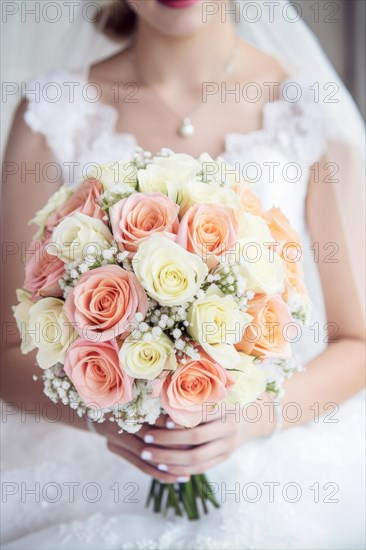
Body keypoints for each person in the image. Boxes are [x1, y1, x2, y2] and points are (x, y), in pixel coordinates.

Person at [1, 1, 365, 548]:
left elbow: (357, 340)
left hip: (270, 448)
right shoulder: (53, 110)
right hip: (85, 455)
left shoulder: (306, 108)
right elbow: (7, 347)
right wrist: (105, 416)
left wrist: (255, 418)